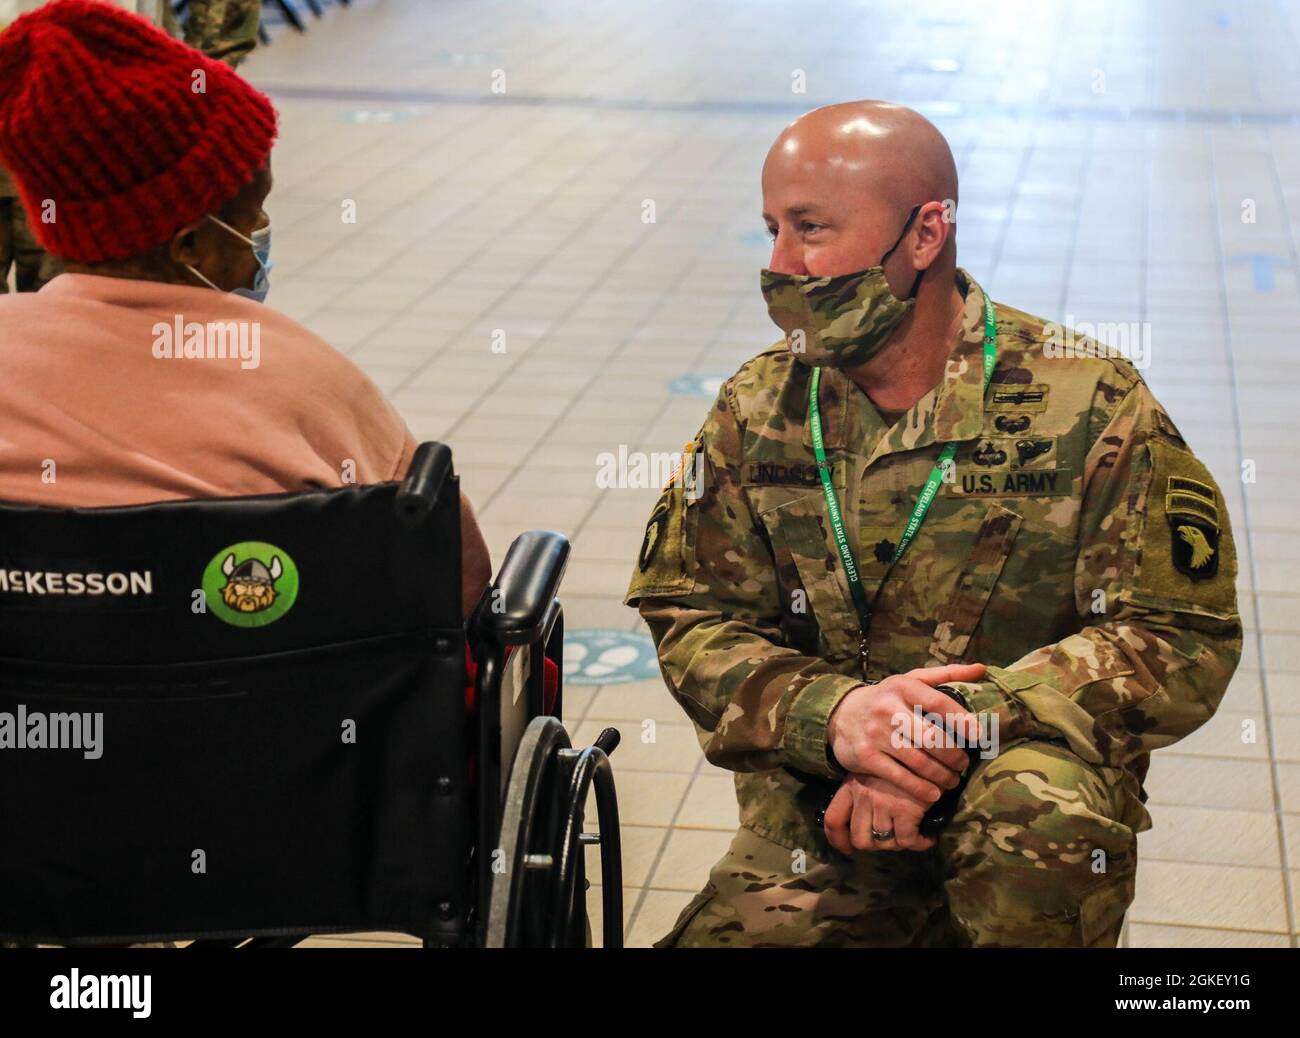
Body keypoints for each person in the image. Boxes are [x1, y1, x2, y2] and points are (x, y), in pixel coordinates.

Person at [625, 100, 1241, 947]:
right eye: (769, 229)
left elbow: (1179, 635)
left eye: (810, 228)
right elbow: (690, 615)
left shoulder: (1086, 401)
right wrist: (836, 719)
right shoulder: (760, 406)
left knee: (1039, 813)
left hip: (1020, 806)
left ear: (926, 234)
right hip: (823, 806)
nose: (780, 265)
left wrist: (945, 731)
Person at [0, 0, 492, 617]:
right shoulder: (306, 383)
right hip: (271, 710)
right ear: (190, 244)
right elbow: (457, 581)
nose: (261, 226)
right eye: (251, 208)